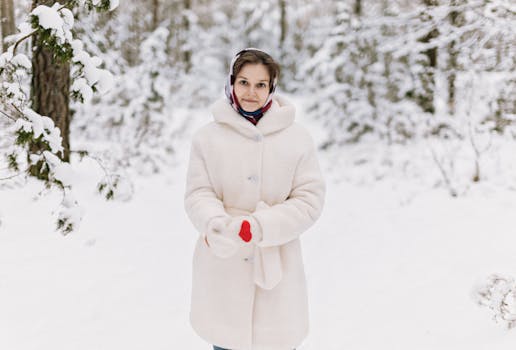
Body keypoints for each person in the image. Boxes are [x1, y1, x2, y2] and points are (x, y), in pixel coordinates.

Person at [184, 48, 326, 350]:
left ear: (271, 88)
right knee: (225, 342)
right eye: (244, 82)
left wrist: (263, 226)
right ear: (231, 83)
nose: (251, 92)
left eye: (261, 84)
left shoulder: (297, 138)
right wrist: (215, 223)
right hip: (223, 262)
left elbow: (309, 199)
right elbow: (199, 192)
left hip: (276, 268)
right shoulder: (207, 138)